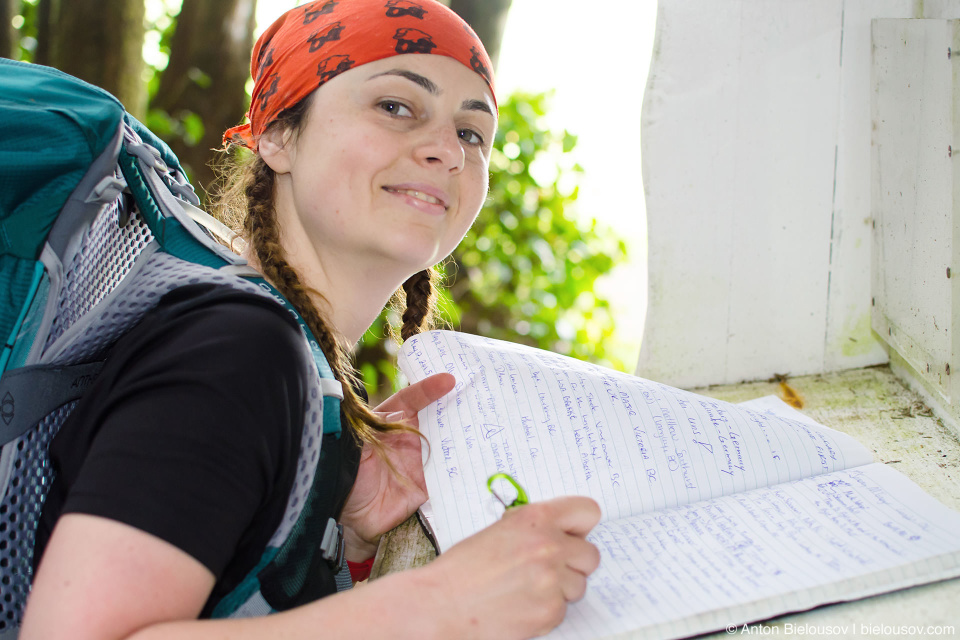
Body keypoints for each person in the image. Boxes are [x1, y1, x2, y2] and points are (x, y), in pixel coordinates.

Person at [20, 1, 601, 639]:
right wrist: (435, 603)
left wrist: (332, 529)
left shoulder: (280, 362)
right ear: (278, 136)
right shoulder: (240, 350)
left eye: (472, 133)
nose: (447, 151)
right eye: (396, 107)